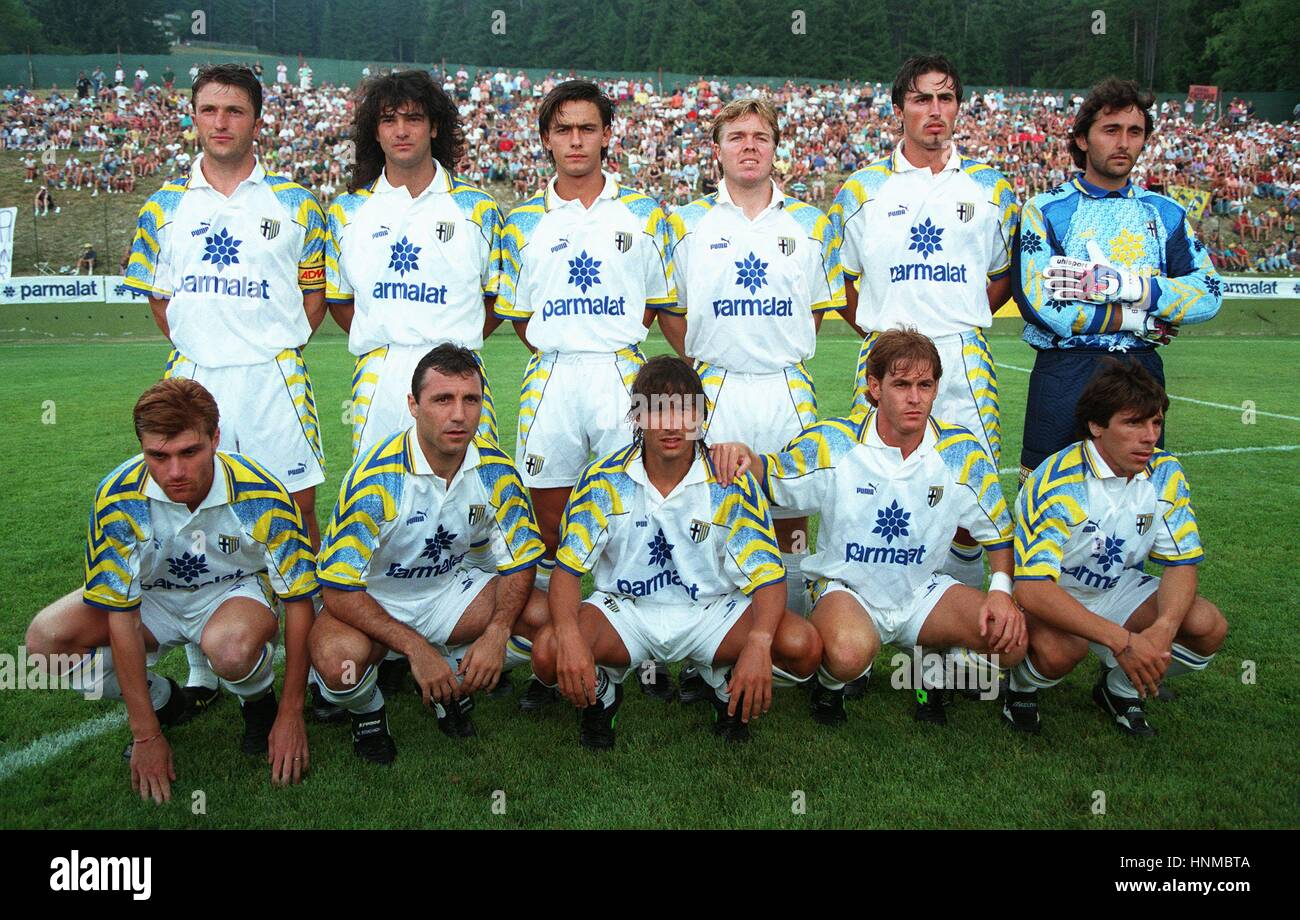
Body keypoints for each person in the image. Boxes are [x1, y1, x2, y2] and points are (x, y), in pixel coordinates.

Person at [124, 64, 329, 710]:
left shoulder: (296, 202)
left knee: (295, 519)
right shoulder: (164, 204)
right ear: (193, 116)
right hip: (195, 377)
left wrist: (262, 348)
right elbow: (161, 303)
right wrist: (206, 349)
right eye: (209, 109)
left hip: (272, 378)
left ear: (257, 121)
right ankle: (202, 672)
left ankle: (318, 667)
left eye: (234, 111)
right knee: (183, 513)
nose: (220, 122)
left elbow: (315, 298)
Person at [24, 378, 319, 803]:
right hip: (152, 598)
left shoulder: (262, 493)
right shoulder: (118, 497)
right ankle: (165, 702)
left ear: (215, 438)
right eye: (157, 456)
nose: (175, 472)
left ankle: (259, 704)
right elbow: (121, 613)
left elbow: (298, 600)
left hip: (232, 592)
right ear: (142, 447)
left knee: (232, 650)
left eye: (189, 452)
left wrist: (292, 713)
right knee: (45, 643)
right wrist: (145, 735)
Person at [711, 329, 1025, 726]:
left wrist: (999, 592)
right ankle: (831, 684)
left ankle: (928, 661)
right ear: (874, 387)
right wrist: (743, 456)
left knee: (1010, 643)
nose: (915, 398)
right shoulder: (836, 442)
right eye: (901, 384)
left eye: (925, 385)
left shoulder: (960, 452)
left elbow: (998, 533)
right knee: (847, 654)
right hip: (848, 588)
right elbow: (774, 476)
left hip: (923, 590)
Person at [528, 356, 822, 748]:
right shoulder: (602, 479)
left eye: (684, 410)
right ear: (637, 416)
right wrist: (569, 635)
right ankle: (603, 693)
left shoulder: (729, 480)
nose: (671, 424)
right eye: (656, 411)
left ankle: (726, 686)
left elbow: (768, 577)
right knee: (549, 651)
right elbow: (566, 572)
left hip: (711, 613)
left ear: (701, 416)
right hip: (626, 610)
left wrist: (758, 643)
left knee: (802, 647)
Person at [494, 80, 678, 698]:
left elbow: (658, 305)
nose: (577, 140)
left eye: (588, 128)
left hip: (622, 374)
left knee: (633, 510)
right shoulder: (521, 221)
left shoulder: (646, 212)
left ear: (607, 134)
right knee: (551, 520)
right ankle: (559, 650)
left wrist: (607, 344)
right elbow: (520, 318)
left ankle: (630, 642)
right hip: (552, 377)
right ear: (547, 138)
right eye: (564, 129)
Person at [664, 97, 844, 703]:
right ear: (717, 149)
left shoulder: (811, 225)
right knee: (712, 513)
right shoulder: (687, 223)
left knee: (789, 516)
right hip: (715, 386)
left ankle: (787, 644)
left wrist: (772, 351)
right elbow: (671, 314)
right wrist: (717, 355)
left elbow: (818, 314)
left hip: (784, 386)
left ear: (776, 148)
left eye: (761, 136)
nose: (749, 145)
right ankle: (705, 650)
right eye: (737, 136)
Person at [830, 54, 1020, 613]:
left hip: (962, 357)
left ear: (958, 107)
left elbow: (1004, 277)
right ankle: (856, 624)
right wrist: (881, 333)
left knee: (971, 497)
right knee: (870, 490)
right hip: (884, 360)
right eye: (921, 98)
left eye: (946, 98)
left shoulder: (991, 188)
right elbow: (838, 280)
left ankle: (948, 633)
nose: (934, 111)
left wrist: (951, 320)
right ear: (899, 110)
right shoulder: (863, 188)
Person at [311, 345, 548, 763]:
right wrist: (414, 647)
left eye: (470, 399)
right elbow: (338, 590)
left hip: (447, 592)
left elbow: (520, 562)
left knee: (543, 618)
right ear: (413, 405)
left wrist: (495, 633)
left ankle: (452, 681)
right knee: (337, 664)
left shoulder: (497, 470)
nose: (459, 414)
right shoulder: (375, 478)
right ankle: (369, 711)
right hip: (375, 597)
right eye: (443, 399)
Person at [1011, 78, 1221, 480]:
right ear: (1083, 139)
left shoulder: (1165, 212)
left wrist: (1131, 287)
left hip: (1140, 370)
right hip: (1066, 371)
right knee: (1046, 500)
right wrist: (1137, 319)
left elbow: (1209, 293)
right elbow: (1044, 306)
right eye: (1111, 130)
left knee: (1134, 502)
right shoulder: (1045, 210)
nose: (1124, 142)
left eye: (1135, 132)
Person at [1006, 359, 1227, 736]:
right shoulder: (1058, 482)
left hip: (1114, 587)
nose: (1149, 437)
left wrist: (1162, 628)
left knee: (1207, 626)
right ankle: (1019, 690)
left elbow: (1181, 563)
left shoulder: (1164, 473)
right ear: (1096, 426)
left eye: (1155, 423)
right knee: (1063, 653)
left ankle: (1118, 689)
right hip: (1054, 590)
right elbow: (1032, 587)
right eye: (1133, 423)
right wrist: (1123, 641)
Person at [326, 70, 503, 460]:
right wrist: (388, 331)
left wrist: (454, 342)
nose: (401, 131)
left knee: (471, 487)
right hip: (380, 373)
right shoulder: (348, 210)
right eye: (389, 120)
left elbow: (495, 299)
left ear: (435, 126)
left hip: (457, 371)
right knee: (377, 493)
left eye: (413, 118)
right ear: (375, 132)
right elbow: (339, 302)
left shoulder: (477, 208)